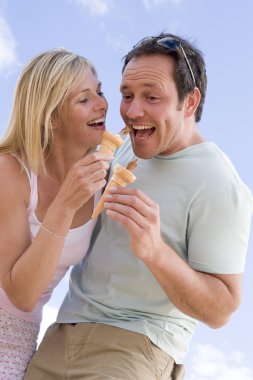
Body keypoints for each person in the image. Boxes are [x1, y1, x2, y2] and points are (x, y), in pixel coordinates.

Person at [25, 33, 253, 380]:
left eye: (152, 97)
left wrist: (156, 252)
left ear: (190, 102)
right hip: (59, 338)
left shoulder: (220, 185)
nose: (133, 112)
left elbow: (221, 310)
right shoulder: (121, 148)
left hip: (135, 350)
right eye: (127, 95)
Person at [0, 48, 113, 379]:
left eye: (100, 92)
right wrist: (64, 205)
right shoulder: (11, 172)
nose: (102, 104)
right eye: (84, 99)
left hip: (22, 336)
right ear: (50, 117)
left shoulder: (105, 179)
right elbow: (21, 294)